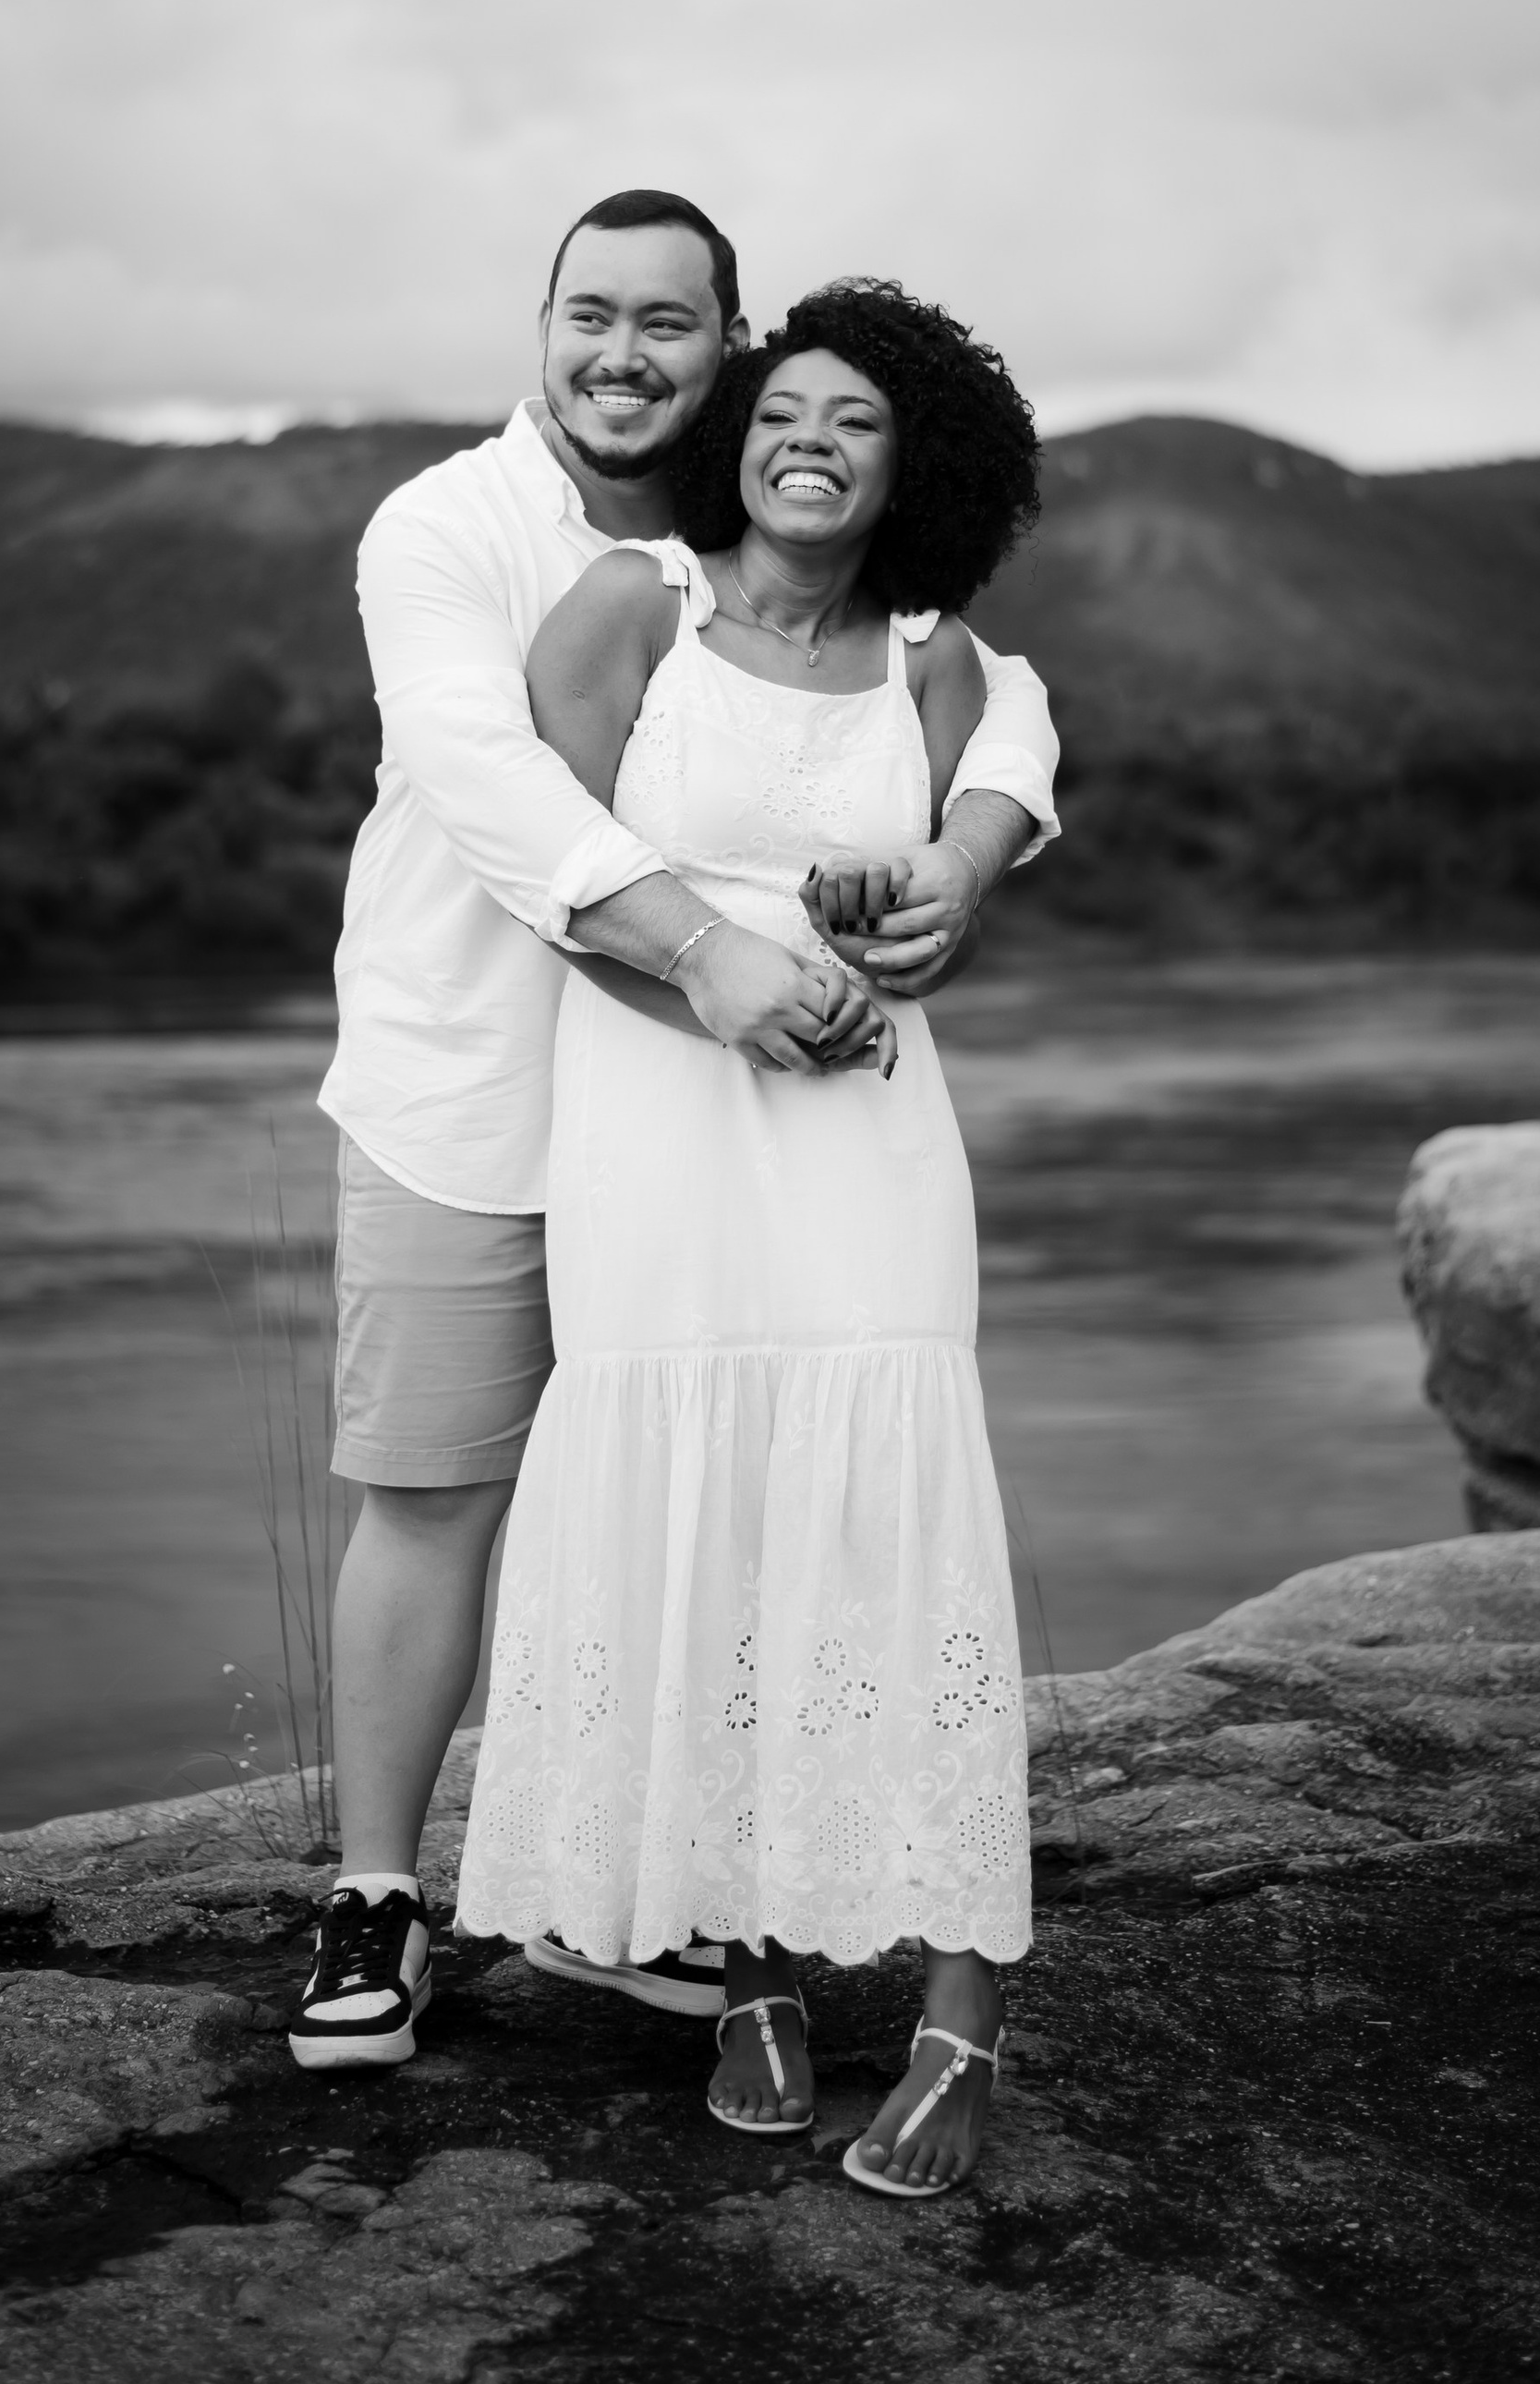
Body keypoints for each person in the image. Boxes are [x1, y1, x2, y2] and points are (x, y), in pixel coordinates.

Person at [288, 196, 1059, 2071]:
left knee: (719, 1502)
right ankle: (376, 1898)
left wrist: (955, 855)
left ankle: (659, 1902)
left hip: (752, 1125)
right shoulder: (452, 529)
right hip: (472, 1084)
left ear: (725, 344)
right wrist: (712, 956)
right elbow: (491, 784)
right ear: (538, 326)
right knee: (439, 1487)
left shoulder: (818, 570)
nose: (622, 355)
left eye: (668, 323)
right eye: (588, 315)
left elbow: (997, 701)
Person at [456, 279, 1040, 2198]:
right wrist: (731, 994)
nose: (807, 435)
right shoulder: (636, 608)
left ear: (911, 462)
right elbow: (552, 883)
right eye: (779, 403)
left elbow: (994, 807)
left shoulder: (937, 661)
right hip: (657, 1128)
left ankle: (959, 2023)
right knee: (702, 1526)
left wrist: (918, 908)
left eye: (854, 417)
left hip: (870, 1134)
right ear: (733, 432)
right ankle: (754, 1974)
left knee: (891, 1517)